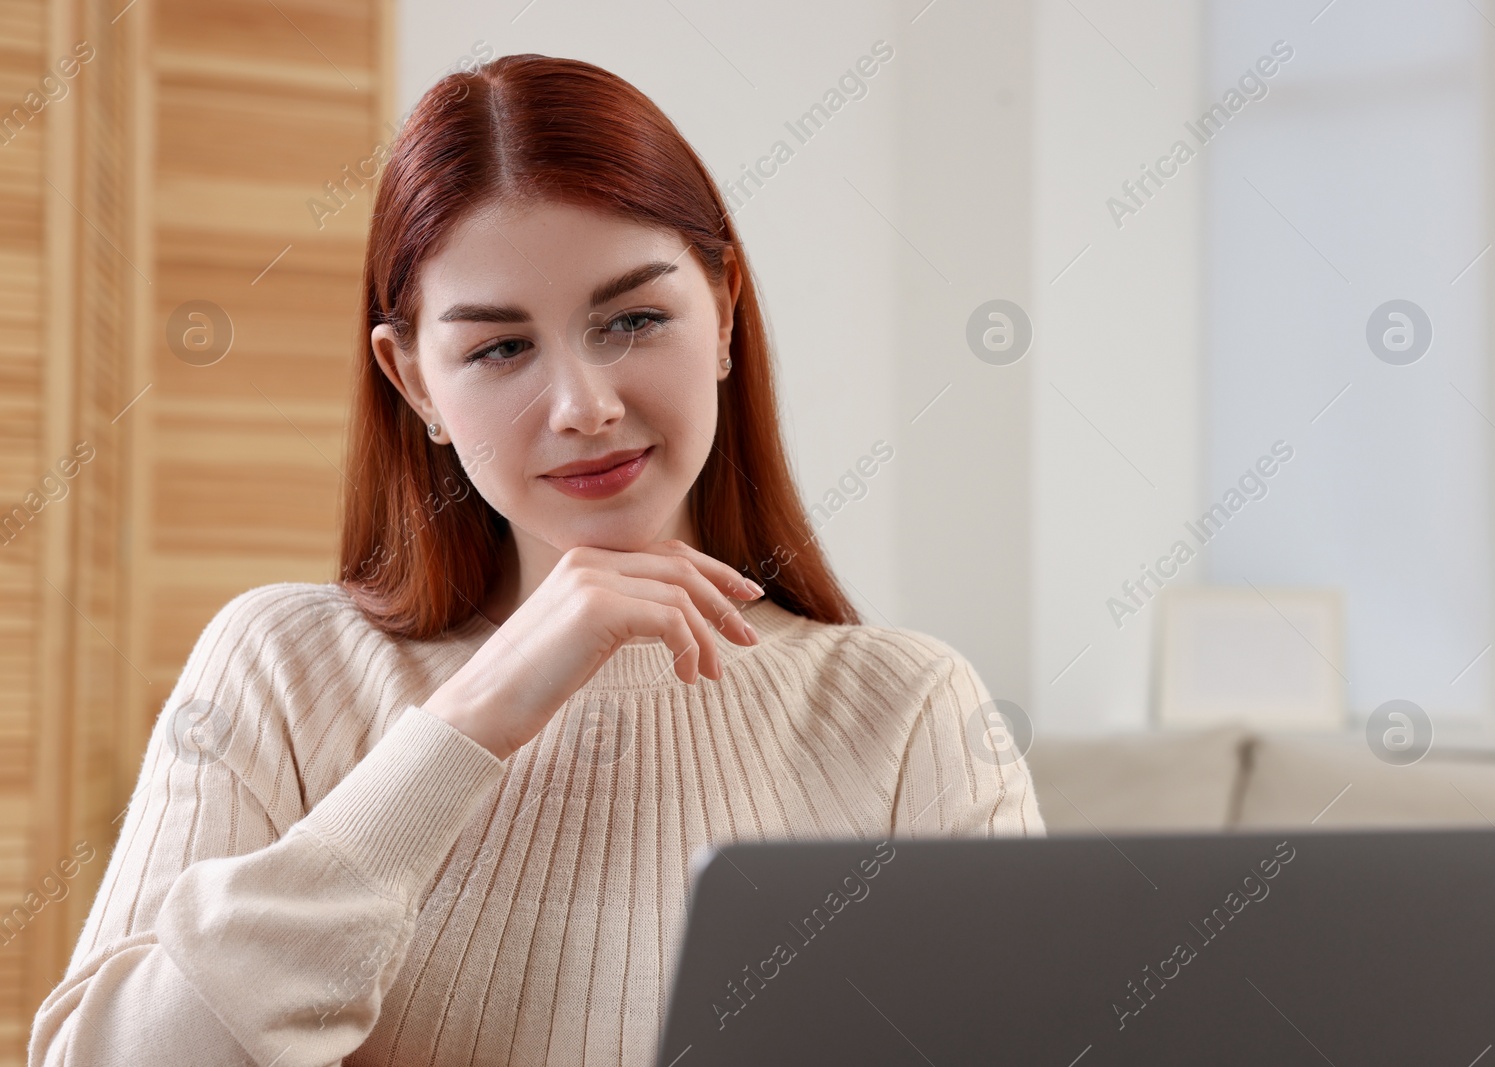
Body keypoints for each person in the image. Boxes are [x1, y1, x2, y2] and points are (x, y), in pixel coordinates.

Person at [29, 53, 1042, 1067]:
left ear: (724, 313)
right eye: (500, 348)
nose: (584, 406)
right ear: (414, 378)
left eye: (634, 319)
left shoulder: (908, 710)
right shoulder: (281, 667)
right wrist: (477, 714)